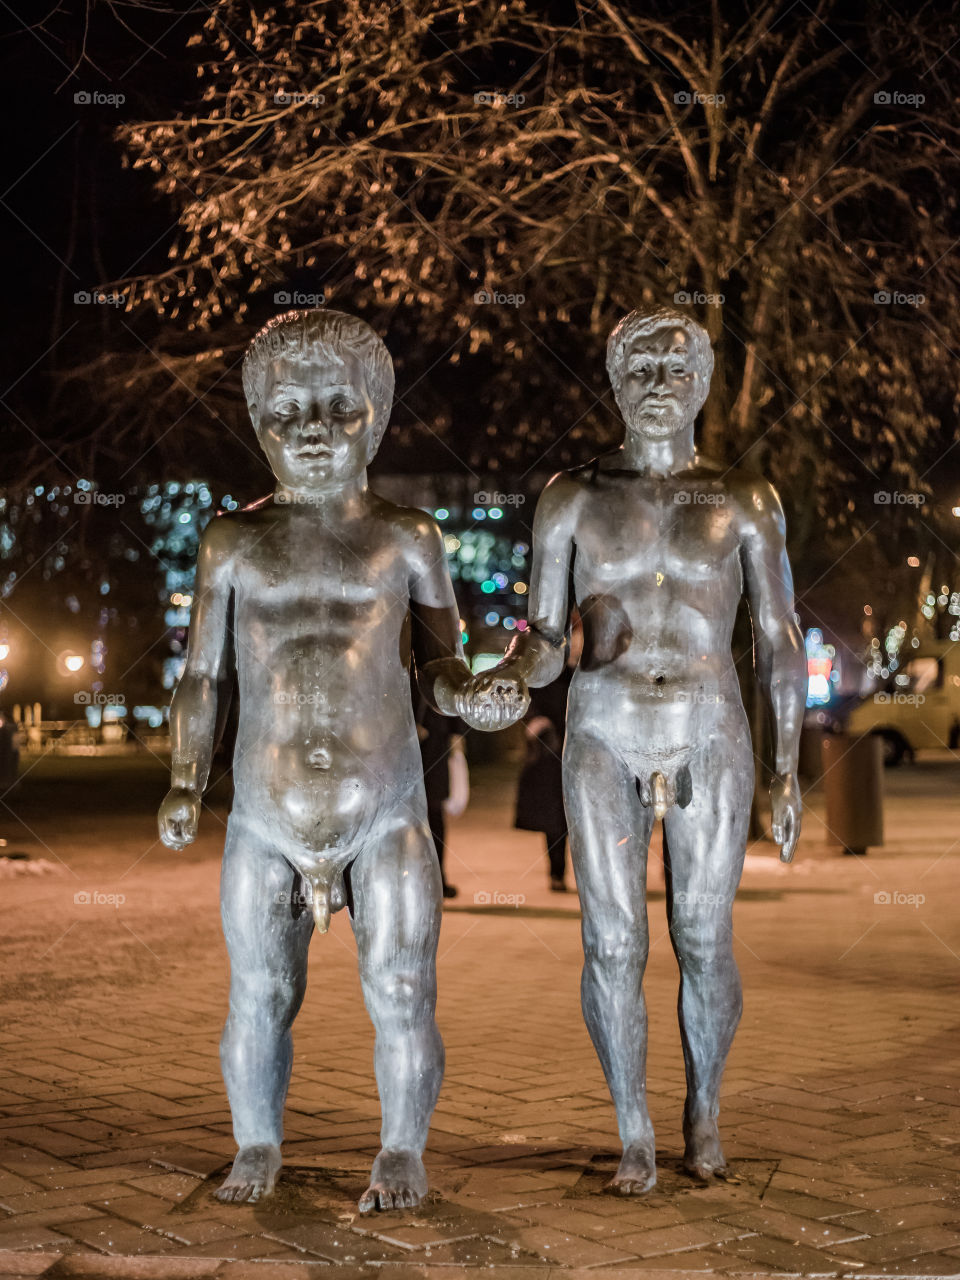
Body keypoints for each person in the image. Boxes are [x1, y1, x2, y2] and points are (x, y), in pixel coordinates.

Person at [157, 308, 527, 1212]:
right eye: (287, 413)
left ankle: (402, 1149)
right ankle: (257, 1140)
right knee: (261, 991)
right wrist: (182, 776)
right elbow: (202, 675)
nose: (313, 432)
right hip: (265, 813)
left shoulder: (408, 538)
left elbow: (440, 663)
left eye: (338, 408)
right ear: (257, 423)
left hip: (386, 808)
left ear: (378, 413)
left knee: (401, 987)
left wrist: (473, 696)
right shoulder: (232, 544)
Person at [484, 306, 805, 1193]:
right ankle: (633, 1125)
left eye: (676, 370)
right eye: (641, 371)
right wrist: (509, 673)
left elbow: (780, 639)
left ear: (702, 384)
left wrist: (784, 769)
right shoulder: (573, 496)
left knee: (703, 934)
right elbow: (545, 635)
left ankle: (704, 1110)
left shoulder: (744, 499)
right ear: (614, 383)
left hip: (709, 726)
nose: (658, 388)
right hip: (604, 729)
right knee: (613, 941)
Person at [514, 613, 582, 891]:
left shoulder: (587, 676)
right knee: (555, 819)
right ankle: (557, 873)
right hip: (553, 754)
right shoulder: (548, 673)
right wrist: (535, 721)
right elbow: (529, 700)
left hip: (582, 753)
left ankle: (585, 875)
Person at [413, 678, 466, 898]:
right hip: (412, 751)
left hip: (435, 749)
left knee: (433, 816)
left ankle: (436, 879)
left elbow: (454, 701)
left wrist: (456, 737)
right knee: (414, 819)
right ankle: (420, 880)